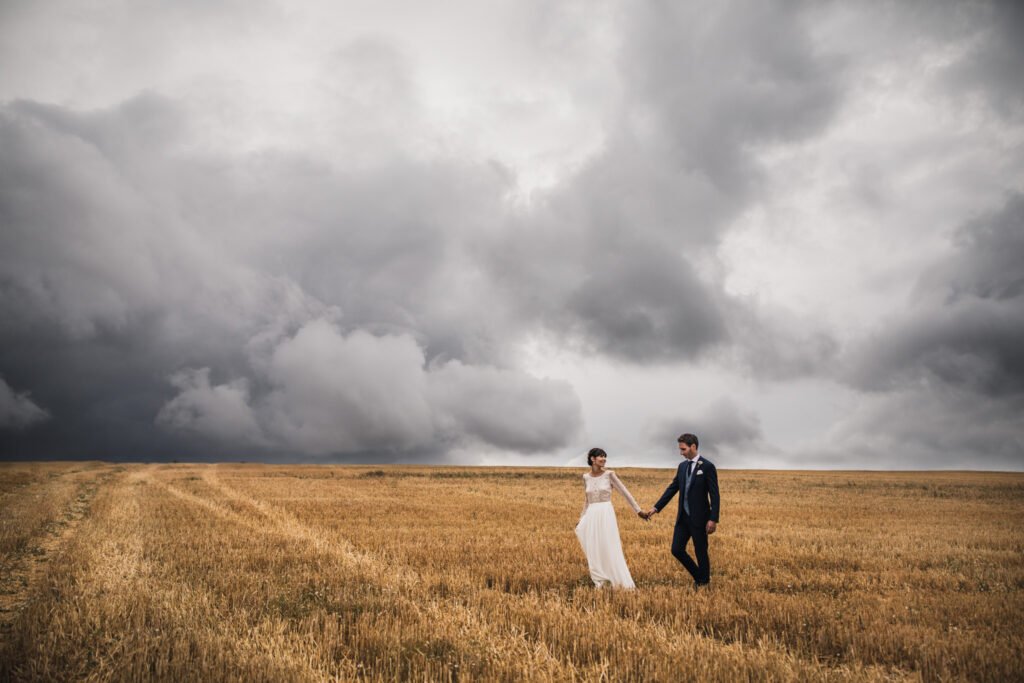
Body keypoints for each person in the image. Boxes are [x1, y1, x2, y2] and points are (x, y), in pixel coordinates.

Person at [642, 433, 720, 589]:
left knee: (701, 551)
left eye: (683, 449)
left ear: (693, 446)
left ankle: (703, 582)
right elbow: (672, 488)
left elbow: (715, 494)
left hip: (700, 518)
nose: (681, 453)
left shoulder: (707, 466)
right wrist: (656, 508)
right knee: (676, 549)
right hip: (683, 518)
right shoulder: (682, 467)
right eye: (680, 449)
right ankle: (700, 576)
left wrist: (713, 519)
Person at [575, 447, 646, 589]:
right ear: (592, 459)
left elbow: (625, 493)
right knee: (595, 547)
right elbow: (587, 500)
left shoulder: (609, 474)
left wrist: (638, 511)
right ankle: (600, 579)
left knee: (609, 545)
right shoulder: (586, 477)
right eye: (600, 456)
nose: (604, 459)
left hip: (606, 512)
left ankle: (617, 579)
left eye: (604, 456)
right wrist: (581, 517)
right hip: (592, 514)